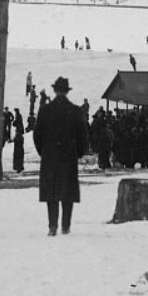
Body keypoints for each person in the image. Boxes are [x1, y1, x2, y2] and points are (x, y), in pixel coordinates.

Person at [33, 76, 87, 236]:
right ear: (66, 91)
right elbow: (83, 136)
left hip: (50, 157)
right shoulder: (76, 111)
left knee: (51, 192)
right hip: (68, 157)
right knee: (67, 193)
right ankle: (66, 226)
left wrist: (44, 152)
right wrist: (77, 153)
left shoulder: (45, 110)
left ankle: (52, 226)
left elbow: (37, 135)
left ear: (55, 90)